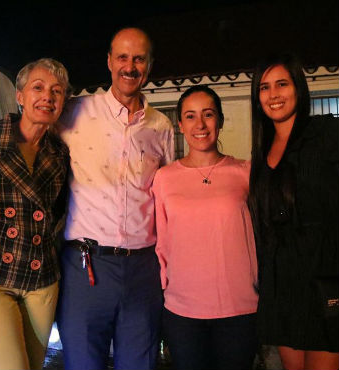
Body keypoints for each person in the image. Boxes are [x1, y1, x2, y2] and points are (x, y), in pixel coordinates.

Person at [56, 27, 174, 370]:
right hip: (85, 266)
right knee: (82, 364)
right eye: (122, 57)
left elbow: (166, 194)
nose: (130, 66)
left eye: (139, 58)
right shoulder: (74, 113)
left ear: (149, 65)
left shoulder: (161, 126)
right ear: (109, 62)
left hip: (143, 269)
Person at [0, 58, 71, 370]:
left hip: (41, 281)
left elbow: (57, 213)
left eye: (57, 91)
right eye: (37, 88)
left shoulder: (60, 153)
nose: (48, 97)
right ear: (20, 96)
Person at [152, 85, 259, 370]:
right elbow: (161, 242)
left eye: (208, 114)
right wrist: (166, 287)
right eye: (190, 116)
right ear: (180, 125)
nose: (200, 124)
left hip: (240, 307)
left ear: (220, 121)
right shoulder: (164, 178)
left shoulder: (246, 172)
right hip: (183, 310)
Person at [249, 53, 339, 370]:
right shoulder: (262, 150)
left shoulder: (328, 134)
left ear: (298, 88)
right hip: (282, 285)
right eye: (264, 87)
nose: (273, 95)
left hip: (325, 279)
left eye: (282, 84)